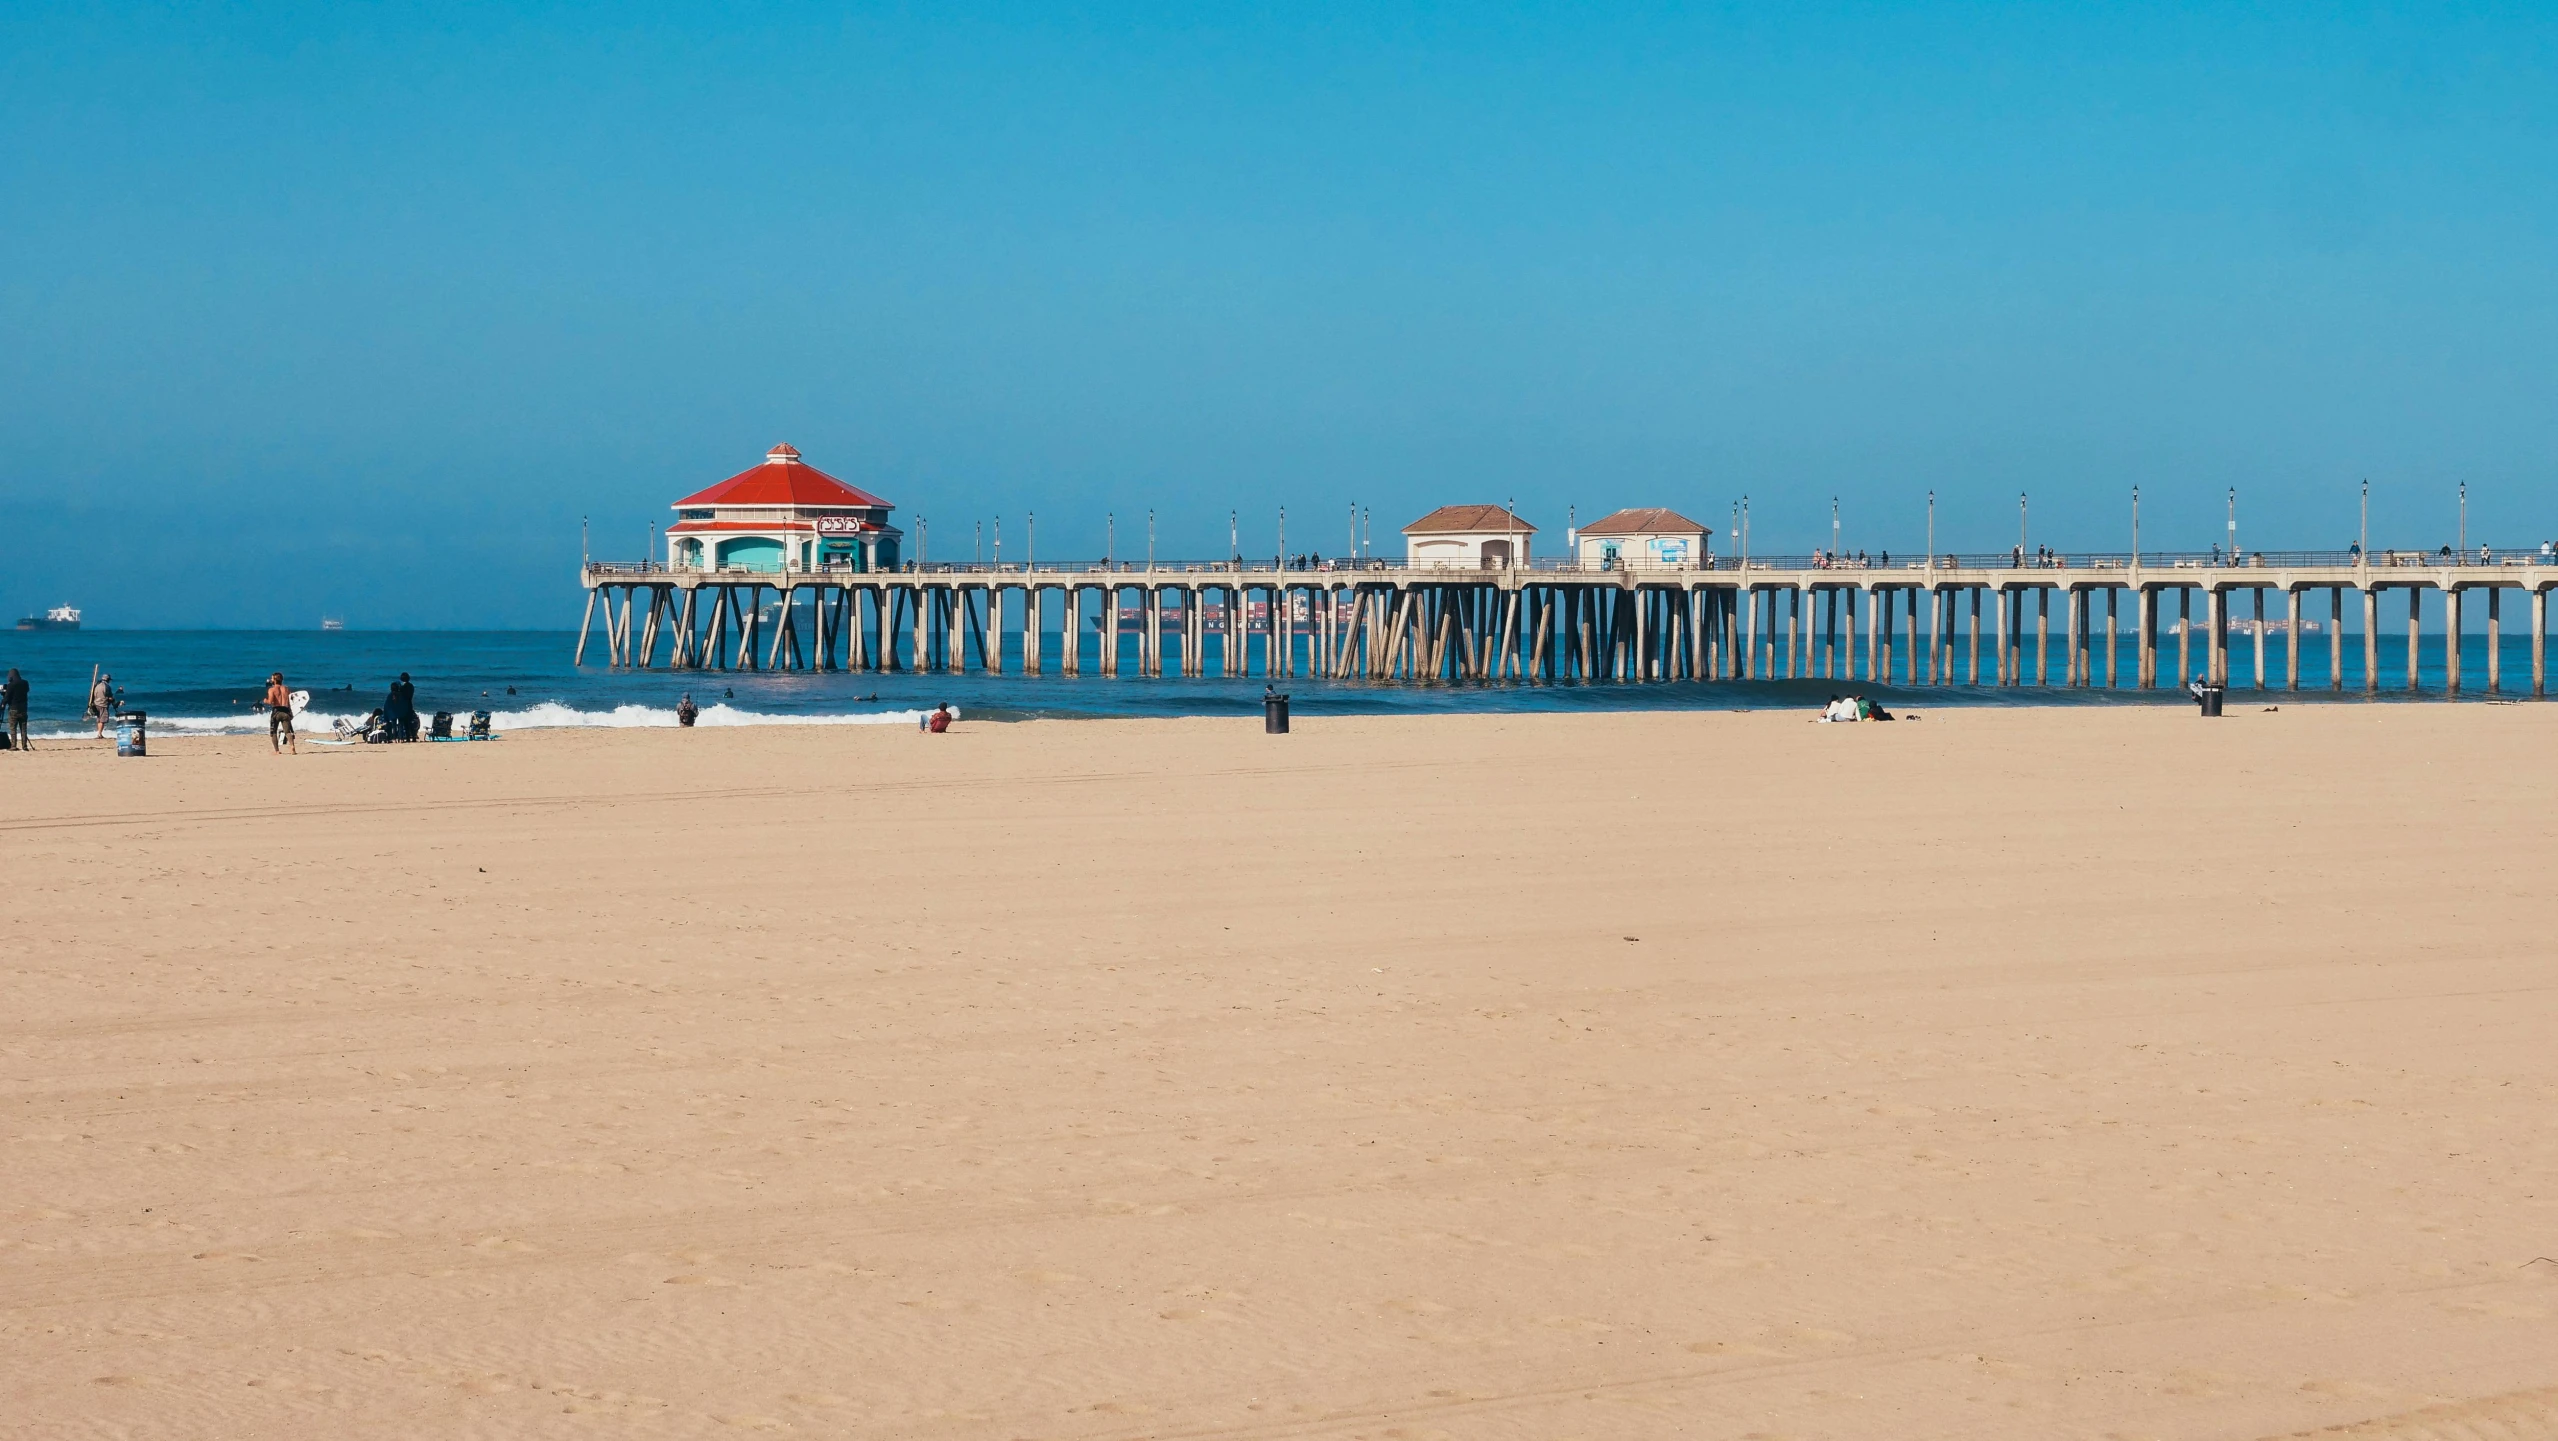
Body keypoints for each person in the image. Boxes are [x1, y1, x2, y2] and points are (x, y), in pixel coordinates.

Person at [265, 672, 297, 754]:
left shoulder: (271, 689)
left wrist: (266, 701)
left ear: (275, 680)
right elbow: (290, 702)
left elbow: (271, 701)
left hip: (276, 712)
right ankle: (292, 746)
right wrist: (291, 713)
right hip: (286, 711)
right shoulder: (286, 689)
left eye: (272, 678)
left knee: (273, 732)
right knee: (287, 732)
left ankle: (277, 751)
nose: (271, 679)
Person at [384, 672, 419, 741]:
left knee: (405, 723)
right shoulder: (411, 686)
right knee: (410, 721)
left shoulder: (402, 688)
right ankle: (413, 737)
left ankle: (406, 737)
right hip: (409, 704)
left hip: (404, 706)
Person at [4, 667, 29, 751]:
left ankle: (13, 746)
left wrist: (3, 703)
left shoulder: (11, 685)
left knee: (13, 728)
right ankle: (24, 746)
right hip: (23, 709)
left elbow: (7, 698)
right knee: (23, 728)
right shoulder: (25, 683)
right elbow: (26, 691)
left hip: (13, 709)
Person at [89, 671, 115, 738]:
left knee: (99, 719)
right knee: (102, 720)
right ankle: (99, 734)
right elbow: (109, 697)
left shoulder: (97, 685)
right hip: (103, 704)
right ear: (108, 679)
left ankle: (99, 733)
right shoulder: (107, 687)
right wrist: (112, 700)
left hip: (96, 704)